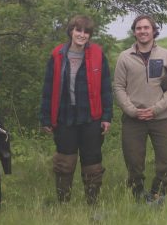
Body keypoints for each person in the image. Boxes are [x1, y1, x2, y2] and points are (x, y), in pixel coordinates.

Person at [40, 15, 113, 205]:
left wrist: (107, 117)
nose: (82, 35)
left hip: (91, 118)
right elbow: (48, 87)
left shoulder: (98, 54)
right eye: (78, 30)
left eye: (86, 32)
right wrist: (46, 118)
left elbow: (106, 88)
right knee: (64, 162)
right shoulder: (57, 55)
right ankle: (63, 202)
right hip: (64, 117)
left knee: (92, 161)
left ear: (89, 35)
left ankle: (92, 201)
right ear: (71, 31)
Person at [113, 15, 167, 203]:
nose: (142, 31)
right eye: (139, 28)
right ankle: (138, 194)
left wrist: (157, 108)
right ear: (134, 31)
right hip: (133, 118)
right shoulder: (124, 57)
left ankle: (157, 194)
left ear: (153, 30)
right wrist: (132, 110)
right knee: (134, 162)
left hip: (160, 118)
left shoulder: (166, 55)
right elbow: (118, 87)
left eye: (146, 27)